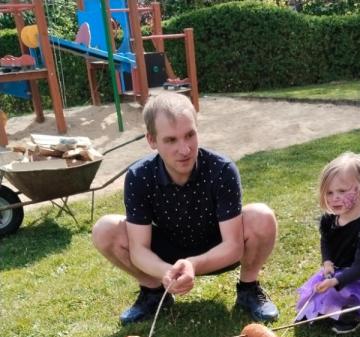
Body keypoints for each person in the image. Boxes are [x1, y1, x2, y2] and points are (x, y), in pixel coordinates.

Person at [92, 92, 279, 325]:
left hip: (216, 247)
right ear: (152, 140)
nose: (185, 149)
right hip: (165, 252)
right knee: (105, 229)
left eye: (190, 135)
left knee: (262, 216)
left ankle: (248, 288)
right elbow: (138, 249)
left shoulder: (221, 169)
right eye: (171, 140)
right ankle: (153, 292)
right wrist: (165, 272)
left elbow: (233, 245)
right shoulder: (139, 176)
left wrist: (193, 264)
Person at [295, 152, 360, 334]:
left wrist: (336, 281)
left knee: (344, 292)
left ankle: (356, 312)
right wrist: (327, 262)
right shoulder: (329, 220)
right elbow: (326, 241)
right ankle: (330, 306)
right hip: (340, 270)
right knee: (316, 295)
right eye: (329, 192)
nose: (334, 197)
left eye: (342, 191)